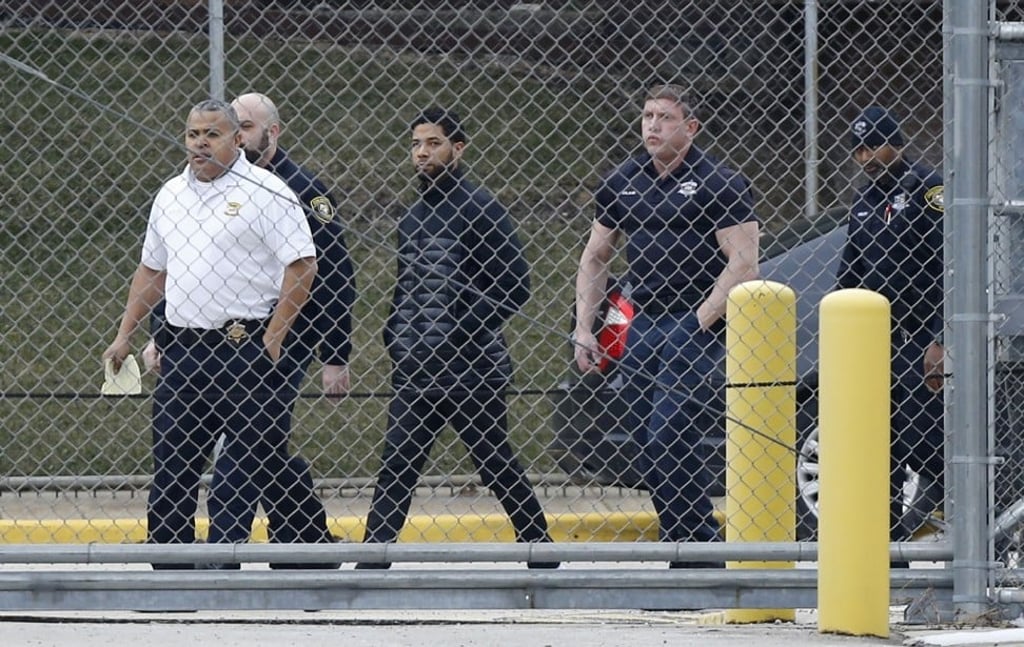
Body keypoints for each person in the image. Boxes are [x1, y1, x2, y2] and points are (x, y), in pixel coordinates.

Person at [142, 92, 356, 568]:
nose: (211, 141)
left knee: (247, 451)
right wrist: (163, 331)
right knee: (263, 448)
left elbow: (334, 278)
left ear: (266, 133)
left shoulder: (298, 190)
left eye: (246, 127)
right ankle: (306, 541)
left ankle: (233, 554)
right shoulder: (186, 190)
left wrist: (333, 353)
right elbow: (183, 269)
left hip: (282, 340)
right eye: (201, 133)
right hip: (204, 340)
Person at [102, 99, 317, 569]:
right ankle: (171, 571)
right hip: (183, 352)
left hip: (245, 351)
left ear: (237, 139)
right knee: (173, 467)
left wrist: (275, 337)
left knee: (238, 472)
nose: (200, 143)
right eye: (193, 133)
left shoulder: (268, 192)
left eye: (212, 134)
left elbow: (302, 266)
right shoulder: (170, 195)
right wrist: (124, 335)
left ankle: (223, 568)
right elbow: (151, 271)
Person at [356, 107, 557, 570]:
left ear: (458, 148)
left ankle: (542, 548)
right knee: (397, 465)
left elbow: (515, 286)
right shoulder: (412, 217)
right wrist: (397, 336)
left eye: (433, 143)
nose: (422, 153)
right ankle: (372, 559)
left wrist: (461, 331)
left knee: (495, 461)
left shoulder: (480, 208)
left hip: (472, 368)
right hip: (416, 367)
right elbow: (407, 286)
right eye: (416, 145)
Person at [573, 84, 760, 568]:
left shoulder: (720, 182)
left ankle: (697, 547)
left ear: (691, 128)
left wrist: (700, 321)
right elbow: (595, 257)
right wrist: (586, 327)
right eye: (647, 116)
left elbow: (743, 262)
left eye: (665, 118)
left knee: (669, 434)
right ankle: (686, 545)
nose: (652, 126)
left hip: (698, 324)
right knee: (645, 440)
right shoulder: (622, 180)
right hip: (645, 321)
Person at [835, 106, 945, 547]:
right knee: (883, 448)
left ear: (894, 143)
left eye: (872, 146)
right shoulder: (864, 201)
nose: (865, 157)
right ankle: (888, 551)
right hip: (877, 338)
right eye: (858, 150)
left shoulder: (926, 189)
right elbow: (850, 271)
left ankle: (968, 527)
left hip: (920, 335)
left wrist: (939, 337)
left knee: (924, 439)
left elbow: (945, 267)